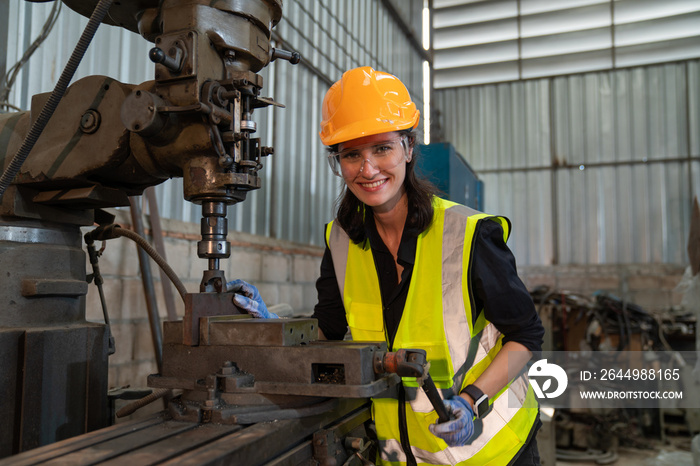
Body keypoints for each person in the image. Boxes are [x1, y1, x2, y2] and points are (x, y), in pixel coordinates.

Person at [231, 66, 544, 465]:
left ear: (409, 148)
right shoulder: (342, 240)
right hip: (402, 456)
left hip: (494, 453)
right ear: (338, 162)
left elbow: (527, 336)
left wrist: (471, 400)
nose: (368, 169)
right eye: (351, 154)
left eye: (382, 148)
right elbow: (327, 329)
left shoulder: (468, 234)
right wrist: (271, 327)